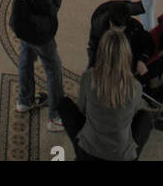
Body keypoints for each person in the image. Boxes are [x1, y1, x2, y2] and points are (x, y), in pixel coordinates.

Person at [59, 27, 154, 161]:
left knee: (64, 105)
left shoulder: (89, 77)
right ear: (127, 55)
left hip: (88, 151)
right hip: (122, 156)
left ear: (101, 52)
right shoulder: (135, 86)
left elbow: (82, 110)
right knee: (145, 117)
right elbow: (131, 116)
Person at [9, 0, 64, 131]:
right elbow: (51, 10)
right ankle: (55, 116)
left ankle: (25, 99)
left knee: (25, 56)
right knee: (53, 67)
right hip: (38, 31)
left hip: (20, 22)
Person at [87, 0, 153, 74]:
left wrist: (142, 60)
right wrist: (92, 67)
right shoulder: (98, 24)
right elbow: (94, 47)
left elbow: (148, 43)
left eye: (121, 29)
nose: (118, 33)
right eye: (116, 28)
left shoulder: (134, 27)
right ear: (110, 23)